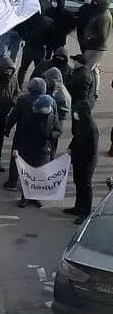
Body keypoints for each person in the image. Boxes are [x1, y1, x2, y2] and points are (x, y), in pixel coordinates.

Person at [12, 93, 60, 209]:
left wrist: (53, 135)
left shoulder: (52, 117)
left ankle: (35, 196)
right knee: (27, 174)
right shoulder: (29, 117)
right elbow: (21, 134)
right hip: (28, 149)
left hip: (43, 151)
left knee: (39, 174)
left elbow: (58, 130)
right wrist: (17, 149)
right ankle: (25, 197)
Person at [65, 85, 100, 222]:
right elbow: (76, 138)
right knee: (78, 183)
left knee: (85, 185)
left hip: (86, 161)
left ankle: (85, 212)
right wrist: (70, 148)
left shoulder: (91, 128)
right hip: (79, 159)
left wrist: (78, 158)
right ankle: (78, 207)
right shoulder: (81, 123)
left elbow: (90, 149)